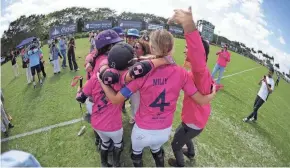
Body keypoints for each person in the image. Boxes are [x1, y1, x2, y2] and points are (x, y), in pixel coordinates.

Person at [98, 29, 216, 167]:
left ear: (152, 48)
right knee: (157, 151)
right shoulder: (182, 73)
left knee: (136, 155)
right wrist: (212, 93)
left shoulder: (142, 73)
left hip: (142, 130)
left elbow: (115, 99)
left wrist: (101, 80)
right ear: (172, 48)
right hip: (164, 131)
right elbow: (201, 100)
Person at [84, 29, 124, 149]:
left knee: (100, 127)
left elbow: (90, 56)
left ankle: (100, 141)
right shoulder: (106, 61)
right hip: (101, 101)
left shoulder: (98, 56)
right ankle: (106, 143)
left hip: (93, 99)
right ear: (109, 46)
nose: (119, 46)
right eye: (115, 44)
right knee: (107, 129)